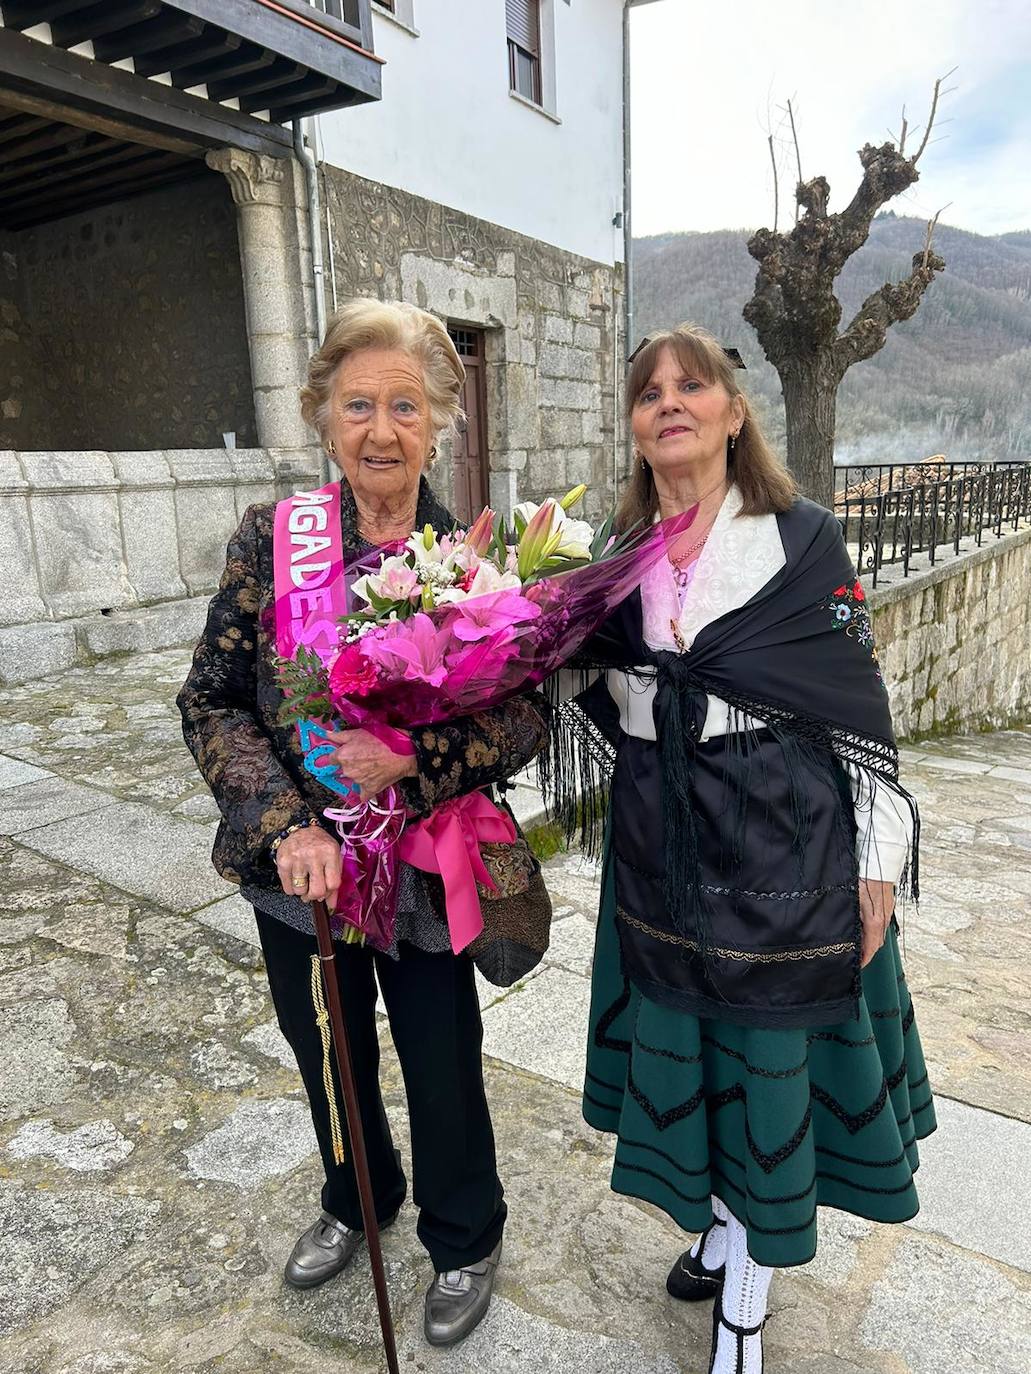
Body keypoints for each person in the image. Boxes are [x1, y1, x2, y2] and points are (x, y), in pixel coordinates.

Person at [559, 325, 935, 1373]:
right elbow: (593, 688)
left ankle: (744, 1301)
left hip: (786, 841)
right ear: (634, 426)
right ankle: (719, 1227)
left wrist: (875, 859)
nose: (668, 402)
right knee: (695, 1049)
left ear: (732, 410)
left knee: (763, 1060)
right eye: (647, 392)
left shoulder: (799, 538)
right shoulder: (612, 556)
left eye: (693, 385)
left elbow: (854, 708)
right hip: (661, 846)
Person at [178, 299, 550, 1348]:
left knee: (440, 1053)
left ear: (438, 419)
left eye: (402, 404)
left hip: (424, 861)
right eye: (355, 405)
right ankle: (358, 1196)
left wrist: (414, 758)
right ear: (323, 417)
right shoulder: (275, 539)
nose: (378, 429)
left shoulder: (475, 560)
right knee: (324, 1045)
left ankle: (464, 1232)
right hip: (303, 870)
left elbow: (522, 717)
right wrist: (287, 823)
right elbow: (211, 698)